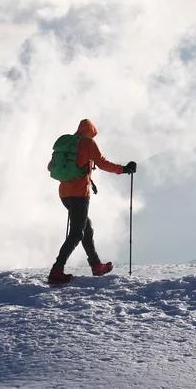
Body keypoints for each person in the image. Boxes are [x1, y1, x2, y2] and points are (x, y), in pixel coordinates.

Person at [46, 119, 136, 284]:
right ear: (92, 131)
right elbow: (102, 163)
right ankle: (56, 270)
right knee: (76, 233)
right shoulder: (88, 143)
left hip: (64, 193)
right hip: (80, 194)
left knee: (86, 229)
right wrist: (123, 169)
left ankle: (96, 266)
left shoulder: (66, 144)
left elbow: (50, 167)